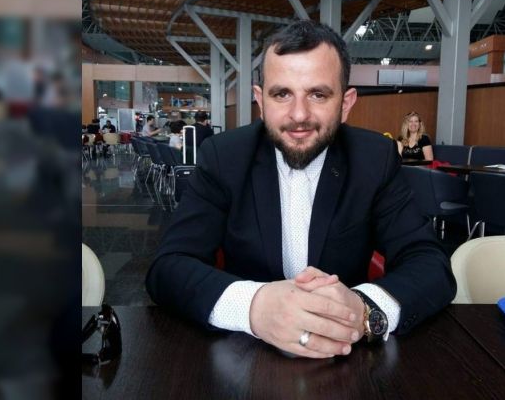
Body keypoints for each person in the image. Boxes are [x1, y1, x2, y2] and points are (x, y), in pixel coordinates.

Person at [146, 20, 455, 359]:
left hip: (347, 354)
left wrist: (363, 309)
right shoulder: (224, 157)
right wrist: (254, 306)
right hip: (244, 354)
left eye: (318, 94)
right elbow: (169, 267)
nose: (298, 115)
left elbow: (430, 263)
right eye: (282, 94)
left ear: (346, 103)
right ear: (260, 100)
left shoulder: (374, 158)